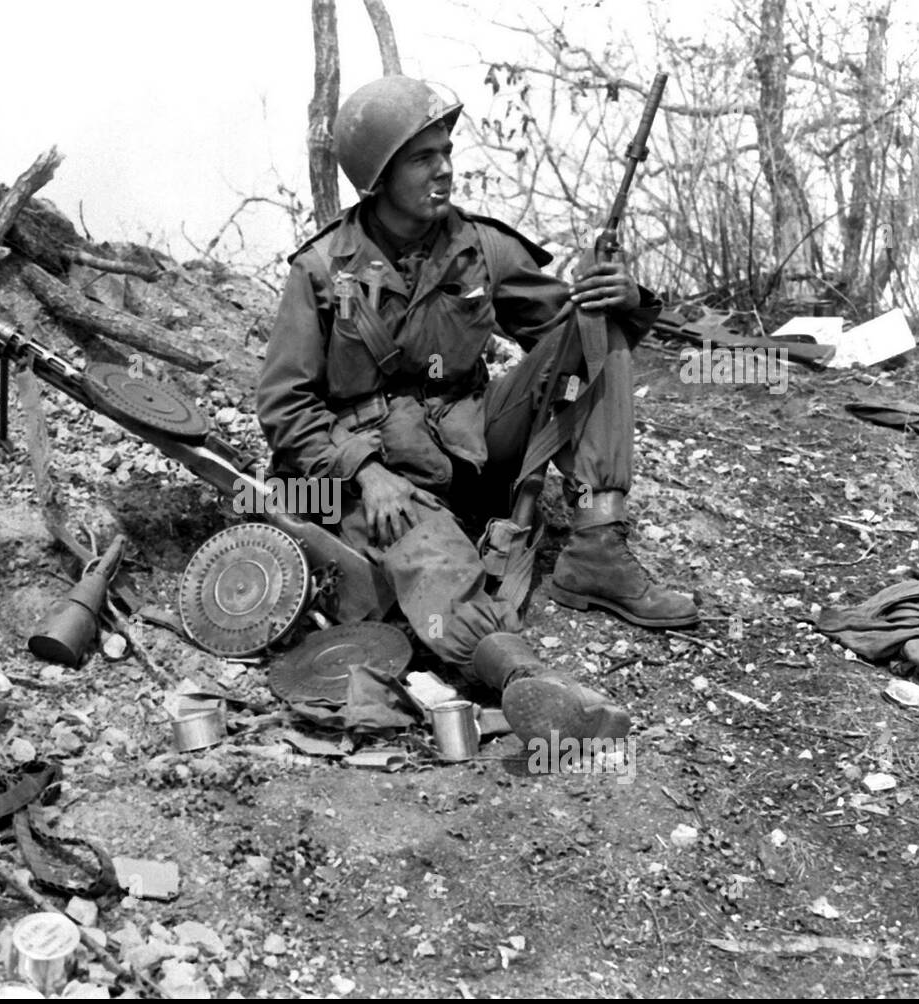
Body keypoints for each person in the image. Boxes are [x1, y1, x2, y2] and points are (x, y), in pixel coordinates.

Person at [256, 76, 696, 740]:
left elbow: (571, 334)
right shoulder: (322, 271)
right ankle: (525, 680)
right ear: (378, 176)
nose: (444, 169)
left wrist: (623, 297)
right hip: (377, 472)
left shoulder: (478, 247)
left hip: (473, 441)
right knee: (425, 545)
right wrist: (363, 470)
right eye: (422, 157)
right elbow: (283, 404)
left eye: (446, 151)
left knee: (594, 327)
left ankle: (597, 552)